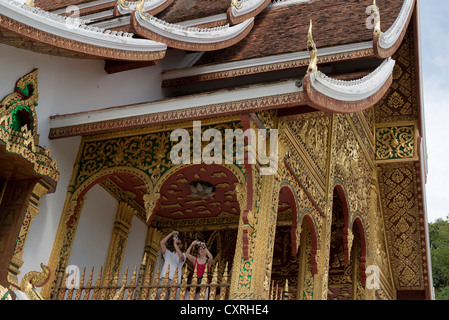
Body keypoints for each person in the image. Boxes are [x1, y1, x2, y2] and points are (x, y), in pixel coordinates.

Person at [158, 231, 186, 299]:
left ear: (181, 245)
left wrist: (175, 244)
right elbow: (161, 243)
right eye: (176, 243)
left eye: (178, 243)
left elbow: (181, 257)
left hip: (175, 280)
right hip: (164, 278)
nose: (176, 244)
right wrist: (171, 234)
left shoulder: (184, 255)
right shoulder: (168, 253)